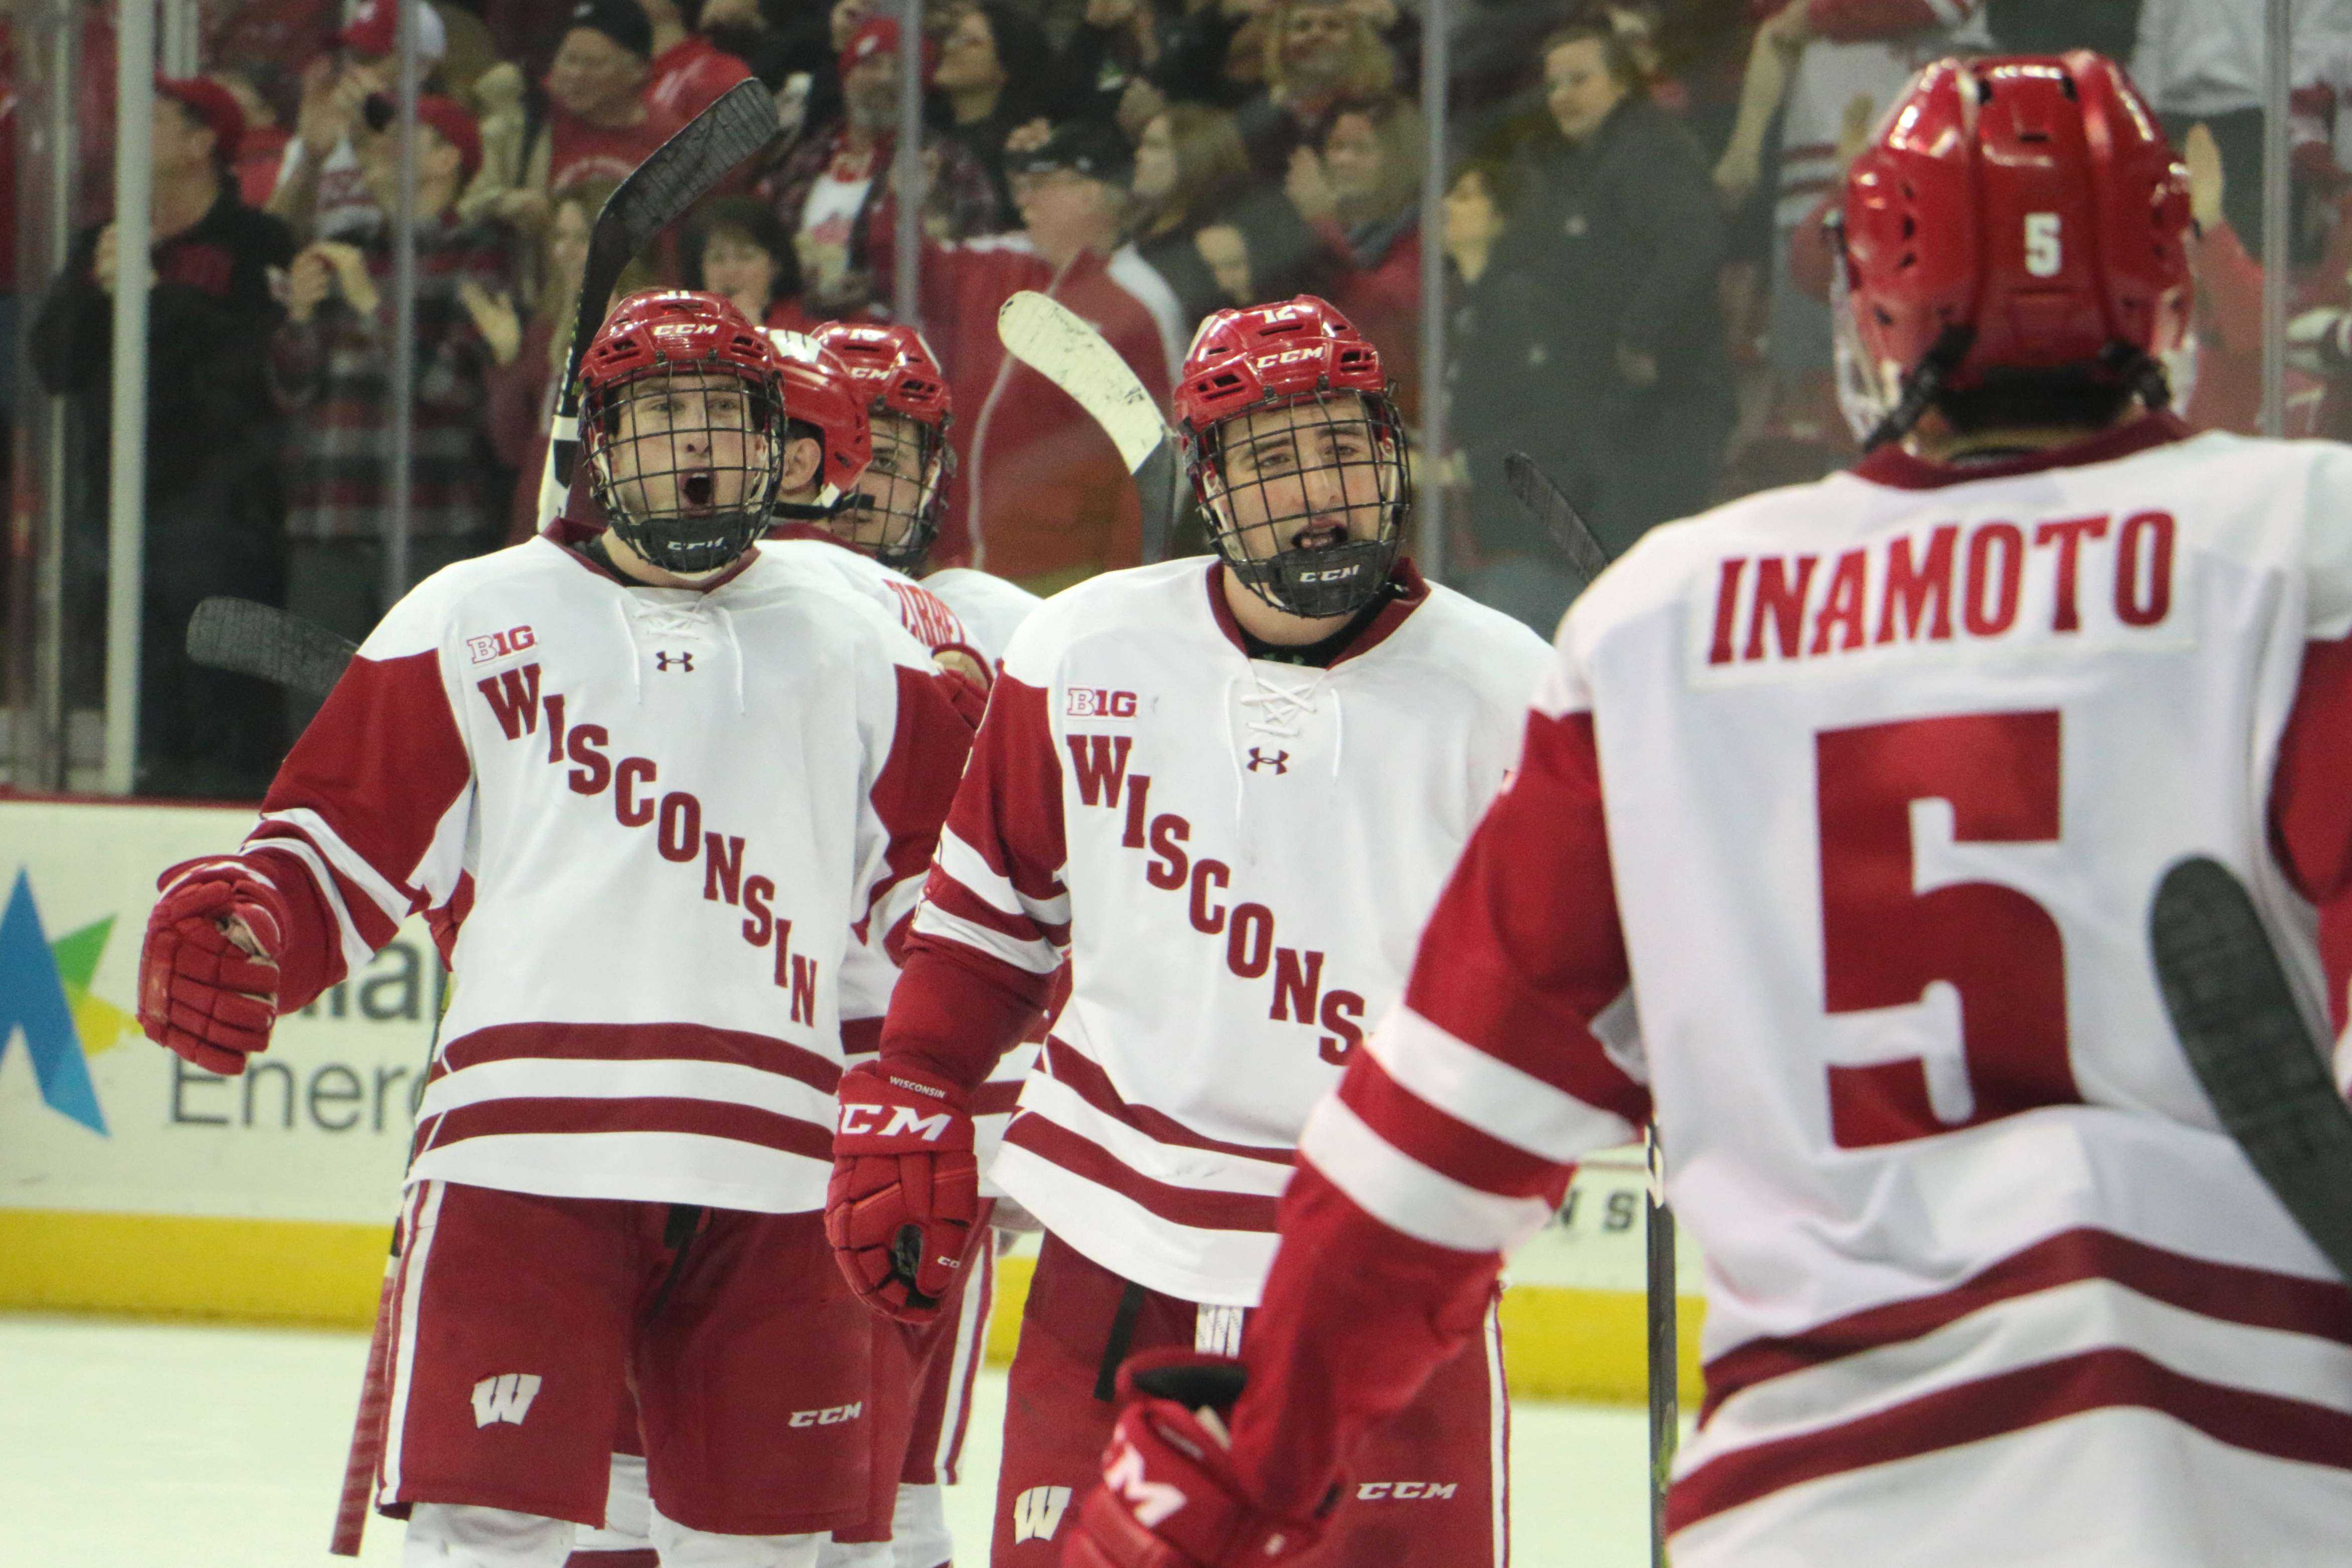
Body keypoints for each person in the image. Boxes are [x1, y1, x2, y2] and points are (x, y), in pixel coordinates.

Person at [1056, 52, 2352, 1568]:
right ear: (2170, 289)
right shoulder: (2306, 548)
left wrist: (1255, 1457)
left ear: (1873, 300)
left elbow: (1445, 1126)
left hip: (1819, 1494)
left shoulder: (1675, 615)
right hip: (2248, 1477)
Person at [134, 287, 976, 1567]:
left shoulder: (873, 648)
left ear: (784, 447)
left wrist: (927, 1091)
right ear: (596, 444)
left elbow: (939, 917)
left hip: (780, 1170)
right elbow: (333, 853)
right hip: (520, 1157)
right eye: (659, 420)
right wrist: (249, 929)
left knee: (775, 1550)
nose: (694, 451)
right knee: (492, 1540)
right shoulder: (466, 613)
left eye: (724, 420)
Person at [826, 295, 1555, 1568]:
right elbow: (994, 913)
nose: (1317, 490)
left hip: (1385, 1271)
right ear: (1209, 489)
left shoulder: (1507, 688)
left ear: (1389, 454)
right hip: (1115, 1254)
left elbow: (1569, 977)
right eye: (1273, 461)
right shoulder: (1085, 646)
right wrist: (922, 1084)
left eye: (1338, 447)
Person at [30, 74, 297, 799]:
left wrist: (156, 299)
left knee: (216, 682)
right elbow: (53, 363)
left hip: (221, 501)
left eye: (149, 121)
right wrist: (98, 294)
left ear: (201, 142)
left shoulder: (257, 243)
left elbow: (251, 360)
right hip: (114, 495)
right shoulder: (102, 241)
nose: (127, 136)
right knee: (130, 674)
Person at [869, 117, 1184, 589]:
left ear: (1091, 192)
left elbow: (1160, 466)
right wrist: (901, 201)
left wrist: (1124, 588)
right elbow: (905, 270)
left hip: (1062, 578)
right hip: (953, 566)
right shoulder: (1000, 260)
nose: (1025, 199)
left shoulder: (1139, 303)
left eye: (1043, 185)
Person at [271, 94, 518, 661]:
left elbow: (455, 392)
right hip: (329, 517)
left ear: (448, 159)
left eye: (407, 135)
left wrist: (367, 306)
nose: (384, 148)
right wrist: (301, 321)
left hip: (428, 521)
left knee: (419, 705)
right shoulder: (349, 245)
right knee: (318, 712)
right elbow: (291, 392)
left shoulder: (477, 251)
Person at [1489, 20, 1731, 560]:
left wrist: (1639, 341)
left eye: (1579, 80)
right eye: (1553, 86)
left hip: (1666, 403)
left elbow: (1692, 241)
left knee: (1645, 556)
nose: (1562, 97)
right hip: (1614, 407)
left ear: (1622, 82)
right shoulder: (1584, 164)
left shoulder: (1648, 148)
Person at [756, 16, 1001, 316]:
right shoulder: (803, 157)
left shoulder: (949, 164)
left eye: (900, 68)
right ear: (846, 76)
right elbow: (758, 242)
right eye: (871, 64)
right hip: (796, 329)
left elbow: (973, 263)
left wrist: (876, 284)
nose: (885, 78)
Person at [268, 0, 452, 241]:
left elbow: (423, 245)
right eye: (350, 54)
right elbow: (273, 243)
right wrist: (310, 161)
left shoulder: (440, 142)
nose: (352, 69)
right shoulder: (325, 134)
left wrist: (371, 141)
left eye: (369, 57)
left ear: (422, 67)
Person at [684, 195, 819, 332]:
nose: (731, 271)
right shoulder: (682, 335)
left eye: (745, 257)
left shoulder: (813, 338)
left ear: (775, 265)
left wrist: (754, 333)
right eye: (717, 258)